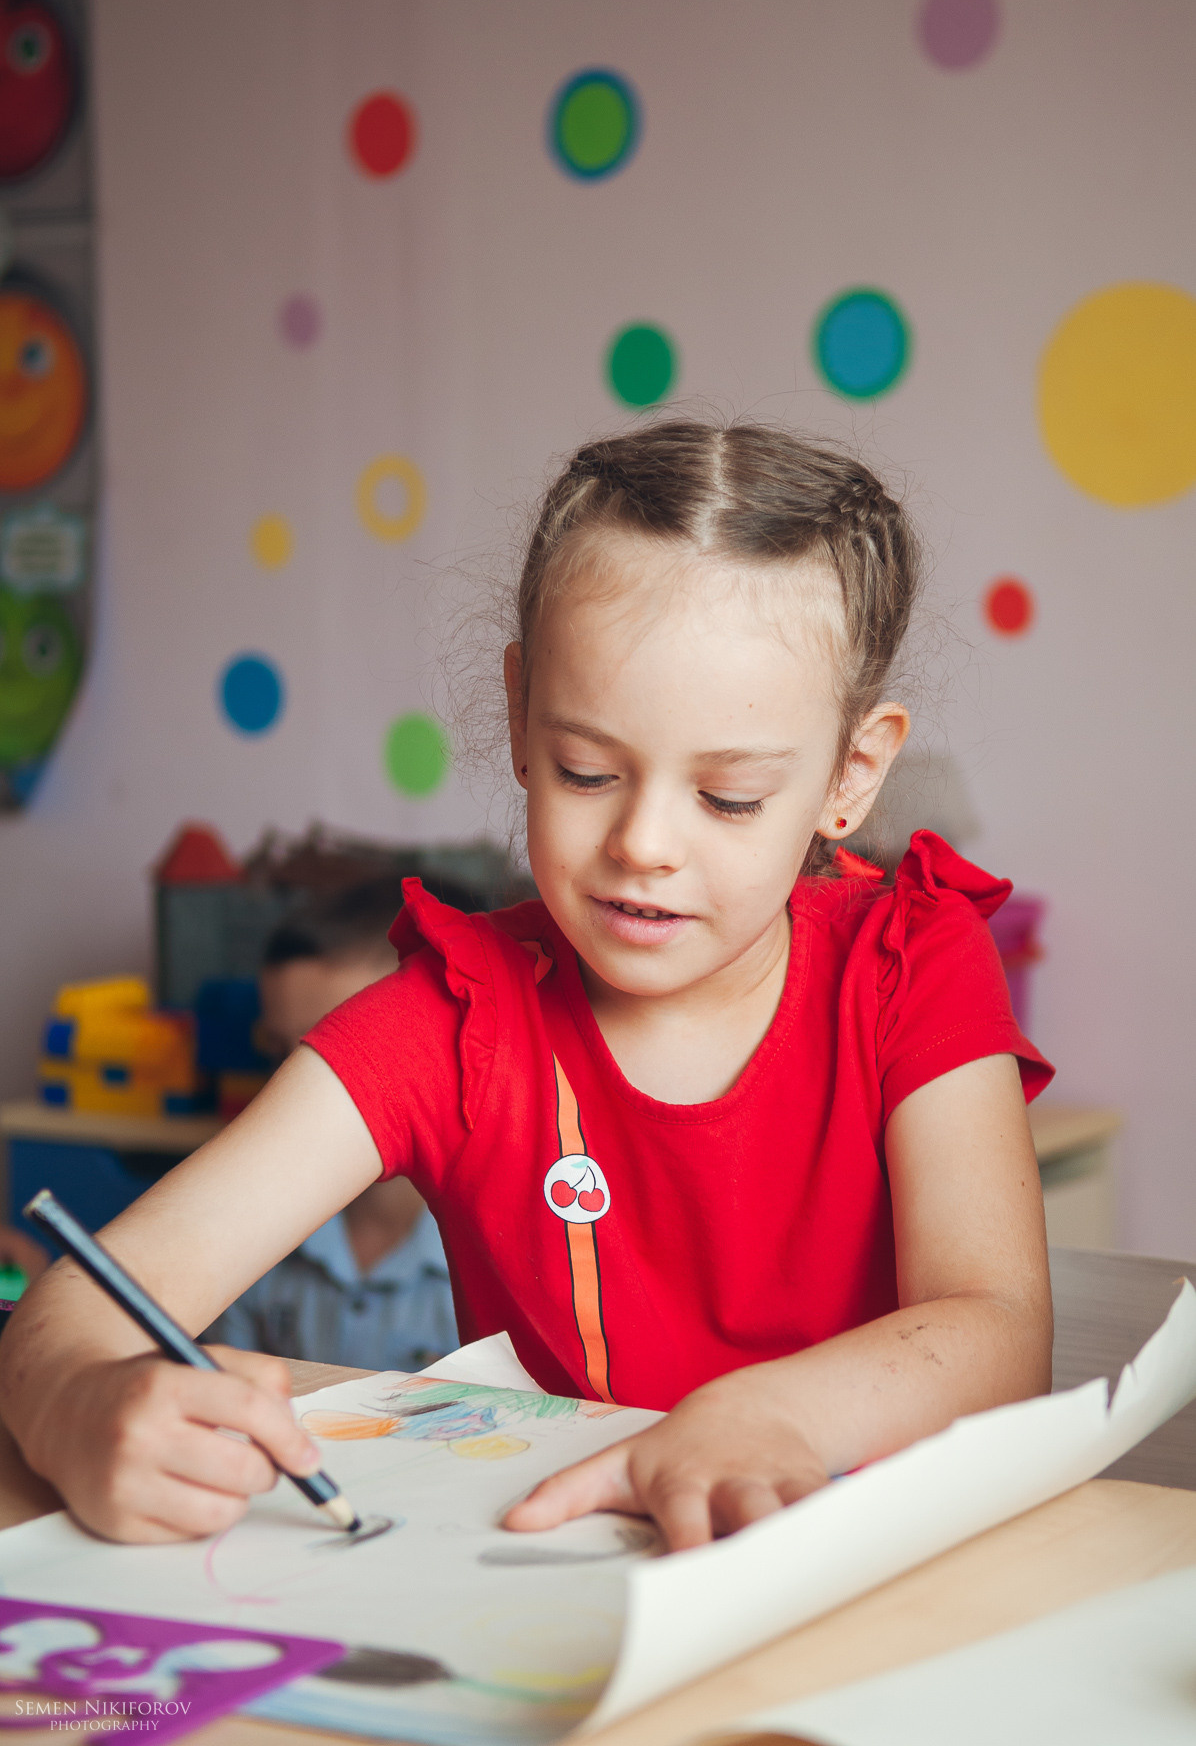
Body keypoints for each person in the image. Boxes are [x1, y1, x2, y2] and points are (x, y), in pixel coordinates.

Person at [0, 420, 1054, 1552]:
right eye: (585, 771)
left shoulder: (910, 964)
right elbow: (83, 1298)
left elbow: (997, 1330)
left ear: (850, 775)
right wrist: (79, 1406)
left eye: (729, 797)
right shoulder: (452, 1019)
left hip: (875, 1586)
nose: (642, 842)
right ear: (517, 717)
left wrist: (766, 1413)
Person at [202, 879, 460, 1373]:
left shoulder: (497, 1250)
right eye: (281, 1055)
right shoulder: (254, 1233)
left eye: (343, 1057)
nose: (294, 1091)